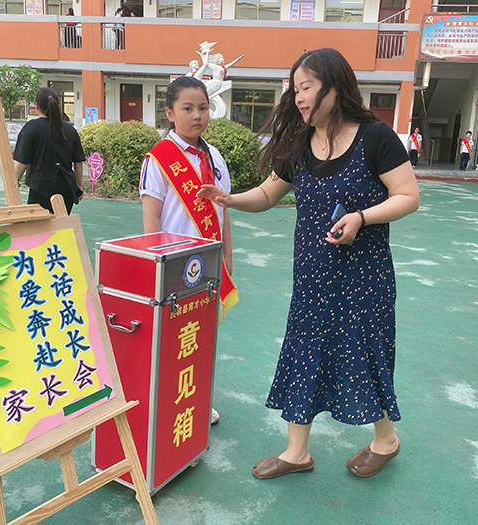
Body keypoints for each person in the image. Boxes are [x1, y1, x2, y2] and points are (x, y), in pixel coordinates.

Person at [197, 48, 420, 479]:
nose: (299, 98)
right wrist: (228, 199)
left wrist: (361, 217)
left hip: (365, 278)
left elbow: (407, 196)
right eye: (295, 89)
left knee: (364, 354)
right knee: (304, 354)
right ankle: (296, 452)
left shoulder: (376, 137)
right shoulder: (299, 143)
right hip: (313, 277)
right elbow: (267, 194)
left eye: (307, 88)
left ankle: (386, 440)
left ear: (335, 87)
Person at [140, 75, 237, 425]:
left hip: (209, 265)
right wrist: (156, 264)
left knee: (200, 337)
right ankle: (167, 405)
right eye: (187, 109)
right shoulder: (159, 159)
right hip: (175, 266)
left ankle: (197, 399)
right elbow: (151, 217)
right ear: (169, 113)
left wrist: (228, 257)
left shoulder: (215, 157)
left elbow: (223, 211)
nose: (197, 115)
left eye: (203, 108)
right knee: (171, 339)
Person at [14, 87, 86, 215]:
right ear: (58, 106)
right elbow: (78, 162)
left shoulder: (32, 128)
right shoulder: (70, 130)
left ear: (36, 105)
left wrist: (13, 182)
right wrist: (78, 185)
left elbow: (22, 162)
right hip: (66, 188)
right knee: (61, 227)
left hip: (40, 187)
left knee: (39, 230)